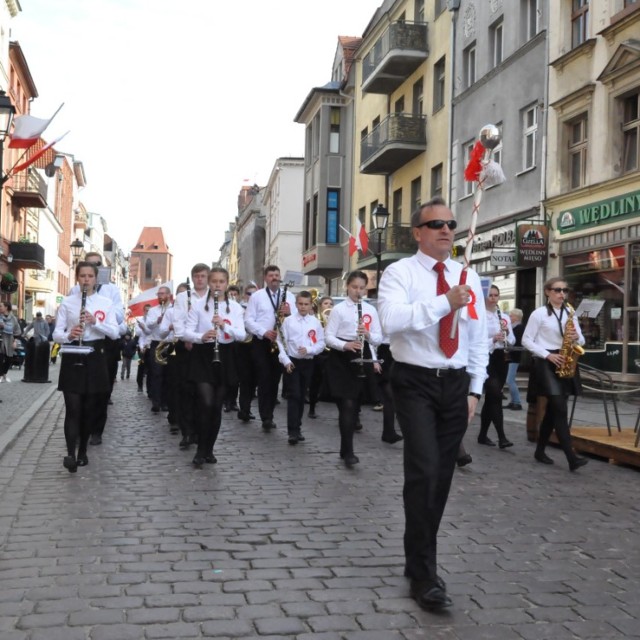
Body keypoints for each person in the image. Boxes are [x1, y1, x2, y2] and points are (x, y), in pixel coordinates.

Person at [378, 197, 488, 611]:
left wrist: (475, 388)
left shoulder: (467, 275)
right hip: (415, 381)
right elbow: (391, 321)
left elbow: (476, 336)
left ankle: (417, 557)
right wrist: (446, 302)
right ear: (418, 233)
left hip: (455, 383)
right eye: (436, 224)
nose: (446, 229)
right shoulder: (399, 273)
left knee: (441, 477)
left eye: (451, 224)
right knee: (423, 471)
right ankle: (425, 573)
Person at [53, 261, 119, 472]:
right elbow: (56, 333)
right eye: (82, 276)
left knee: (89, 408)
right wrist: (68, 334)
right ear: (77, 278)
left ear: (95, 278)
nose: (86, 280)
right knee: (73, 408)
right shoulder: (68, 302)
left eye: (90, 276)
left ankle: (83, 452)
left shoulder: (105, 302)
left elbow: (115, 332)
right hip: (73, 354)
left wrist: (94, 322)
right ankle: (70, 453)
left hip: (95, 354)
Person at [521, 277, 588, 472]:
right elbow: (526, 340)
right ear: (548, 292)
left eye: (565, 290)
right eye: (557, 290)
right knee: (559, 408)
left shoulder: (570, 313)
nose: (562, 294)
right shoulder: (539, 314)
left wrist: (577, 338)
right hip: (545, 362)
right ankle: (571, 457)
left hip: (565, 360)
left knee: (553, 411)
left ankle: (540, 451)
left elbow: (581, 340)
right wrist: (547, 355)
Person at [184, 267, 246, 466]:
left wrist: (224, 326)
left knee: (216, 407)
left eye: (221, 282)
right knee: (206, 403)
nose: (217, 285)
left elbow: (242, 335)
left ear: (226, 284)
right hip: (203, 355)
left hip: (225, 356)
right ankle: (200, 449)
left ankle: (209, 449)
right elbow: (186, 332)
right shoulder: (198, 305)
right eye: (214, 281)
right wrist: (200, 336)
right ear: (209, 283)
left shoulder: (235, 308)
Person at [325, 270, 382, 467]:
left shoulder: (370, 310)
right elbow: (329, 337)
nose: (358, 291)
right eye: (354, 287)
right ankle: (348, 450)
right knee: (346, 404)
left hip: (361, 355)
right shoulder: (339, 310)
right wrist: (345, 345)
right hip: (342, 357)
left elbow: (378, 338)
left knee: (354, 405)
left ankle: (345, 447)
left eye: (361, 288)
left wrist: (366, 333)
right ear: (347, 287)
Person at [244, 265, 295, 431]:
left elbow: (298, 319)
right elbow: (248, 321)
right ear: (265, 278)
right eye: (271, 275)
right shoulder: (257, 297)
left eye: (277, 275)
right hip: (262, 342)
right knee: (264, 378)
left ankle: (270, 412)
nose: (274, 277)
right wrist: (264, 332)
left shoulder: (289, 297)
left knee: (274, 379)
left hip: (280, 342)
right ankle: (266, 416)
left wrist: (289, 313)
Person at [277, 290, 325, 444]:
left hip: (308, 362)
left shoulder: (315, 322)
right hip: (292, 362)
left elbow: (321, 343)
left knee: (302, 394)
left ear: (311, 305)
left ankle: (298, 427)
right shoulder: (289, 321)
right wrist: (285, 360)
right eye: (300, 304)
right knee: (294, 395)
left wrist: (310, 350)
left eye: (306, 304)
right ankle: (292, 431)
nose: (303, 307)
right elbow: (281, 342)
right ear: (296, 304)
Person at [477, 285, 515, 449]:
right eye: (490, 295)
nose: (493, 298)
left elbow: (512, 340)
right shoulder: (479, 316)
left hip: (501, 358)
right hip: (486, 357)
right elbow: (476, 341)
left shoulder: (504, 316)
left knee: (492, 398)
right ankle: (502, 436)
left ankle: (482, 435)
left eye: (496, 295)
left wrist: (505, 334)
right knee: (495, 394)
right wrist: (493, 339)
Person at [139, 286, 172, 412]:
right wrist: (158, 321)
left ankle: (165, 402)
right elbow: (148, 327)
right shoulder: (153, 310)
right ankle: (156, 402)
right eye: (158, 294)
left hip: (170, 343)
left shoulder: (174, 309)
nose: (160, 296)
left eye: (162, 294)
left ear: (169, 295)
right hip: (157, 343)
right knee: (156, 373)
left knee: (168, 374)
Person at [308, 295, 333, 419]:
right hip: (319, 353)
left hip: (331, 352)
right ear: (320, 306)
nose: (329, 306)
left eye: (331, 304)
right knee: (315, 380)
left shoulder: (334, 319)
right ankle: (312, 406)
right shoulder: (315, 319)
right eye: (326, 303)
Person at [236, 284, 258, 422]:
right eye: (249, 294)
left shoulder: (258, 309)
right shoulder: (239, 308)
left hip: (256, 344)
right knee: (245, 379)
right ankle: (243, 409)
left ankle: (247, 407)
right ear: (244, 295)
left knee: (253, 379)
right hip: (242, 345)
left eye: (254, 294)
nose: (252, 297)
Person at [23, 311, 51, 383]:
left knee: (42, 355)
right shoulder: (34, 322)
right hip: (35, 339)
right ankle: (34, 370)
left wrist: (45, 338)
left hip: (42, 340)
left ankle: (40, 370)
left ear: (41, 316)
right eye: (37, 317)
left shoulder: (44, 322)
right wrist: (25, 333)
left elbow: (47, 331)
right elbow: (28, 327)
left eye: (39, 317)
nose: (38, 318)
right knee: (35, 354)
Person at [505, 308, 524, 410]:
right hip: (511, 356)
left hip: (515, 356)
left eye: (511, 316)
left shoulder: (520, 328)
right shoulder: (513, 327)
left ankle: (517, 401)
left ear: (516, 317)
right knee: (509, 379)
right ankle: (513, 401)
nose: (510, 317)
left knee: (510, 380)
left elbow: (517, 342)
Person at [0, 301, 22, 383]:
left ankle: (4, 374)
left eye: (1, 306)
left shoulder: (13, 318)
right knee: (1, 358)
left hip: (9, 340)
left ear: (6, 307)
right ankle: (1, 375)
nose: (0, 308)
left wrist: (15, 341)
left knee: (9, 359)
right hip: (1, 340)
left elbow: (17, 331)